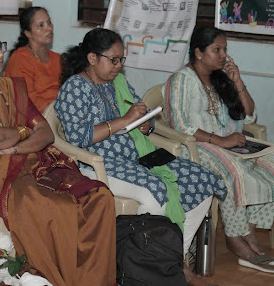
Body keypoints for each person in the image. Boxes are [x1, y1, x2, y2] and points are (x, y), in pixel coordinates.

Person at [0, 25, 116, 286]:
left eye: (0, 47)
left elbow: (45, 133)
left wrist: (15, 146)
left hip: (31, 162)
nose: (0, 54)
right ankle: (59, 279)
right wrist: (24, 132)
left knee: (99, 196)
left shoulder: (11, 88)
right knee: (51, 205)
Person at [54, 28, 227, 286]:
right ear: (92, 58)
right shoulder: (75, 88)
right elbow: (79, 137)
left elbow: (141, 118)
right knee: (155, 191)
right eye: (113, 59)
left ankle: (172, 261)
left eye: (121, 59)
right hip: (97, 162)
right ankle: (145, 268)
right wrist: (124, 120)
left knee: (203, 182)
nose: (118, 66)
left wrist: (146, 125)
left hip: (138, 155)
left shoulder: (118, 83)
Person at [163, 26, 274, 272]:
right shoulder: (181, 79)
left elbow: (248, 115)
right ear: (199, 53)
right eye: (217, 50)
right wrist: (221, 141)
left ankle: (251, 233)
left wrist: (238, 80)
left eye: (225, 49)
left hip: (229, 146)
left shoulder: (220, 78)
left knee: (272, 163)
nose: (223, 55)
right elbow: (180, 125)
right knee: (234, 172)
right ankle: (237, 241)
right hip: (195, 148)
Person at [5, 7, 61, 112]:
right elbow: (27, 100)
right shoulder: (20, 59)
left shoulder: (57, 58)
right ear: (28, 34)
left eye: (49, 22)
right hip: (36, 118)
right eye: (41, 25)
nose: (49, 28)